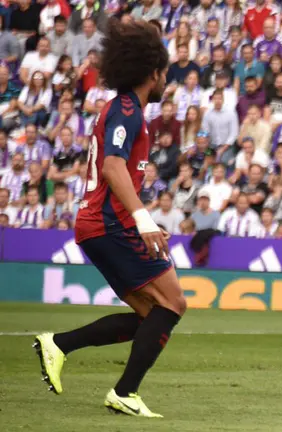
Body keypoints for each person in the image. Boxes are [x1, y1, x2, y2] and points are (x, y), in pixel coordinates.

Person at [33, 20, 185, 418]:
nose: (166, 80)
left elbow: (114, 176)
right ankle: (125, 393)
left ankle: (59, 344)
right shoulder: (127, 110)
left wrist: (142, 217)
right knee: (173, 303)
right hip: (108, 225)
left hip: (103, 224)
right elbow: (113, 167)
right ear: (153, 72)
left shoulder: (124, 110)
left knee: (152, 316)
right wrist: (141, 218)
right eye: (165, 73)